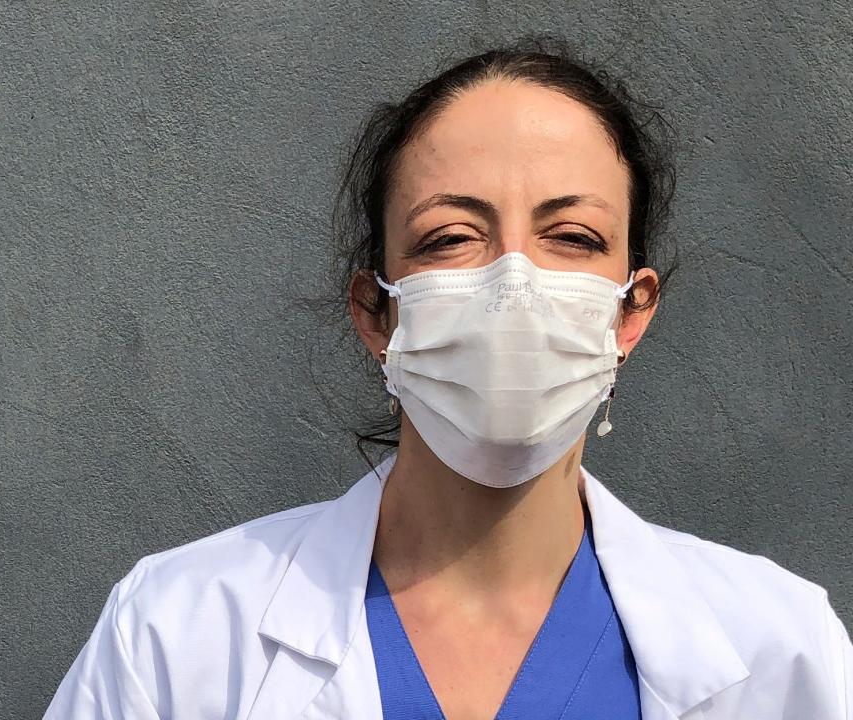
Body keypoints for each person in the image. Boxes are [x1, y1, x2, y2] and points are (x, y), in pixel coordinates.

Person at [43, 36, 852, 720]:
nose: (514, 281)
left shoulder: (781, 646)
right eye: (450, 238)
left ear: (629, 312)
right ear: (377, 313)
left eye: (570, 234)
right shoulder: (174, 632)